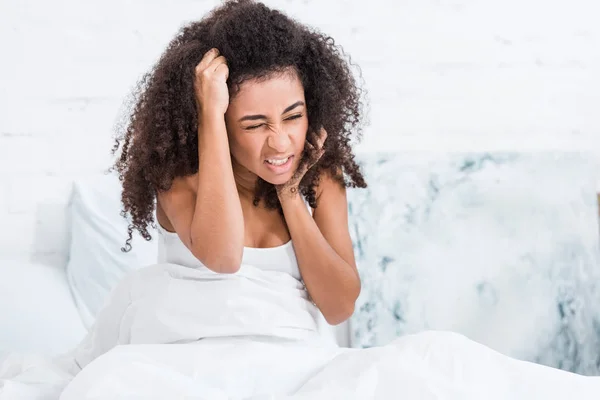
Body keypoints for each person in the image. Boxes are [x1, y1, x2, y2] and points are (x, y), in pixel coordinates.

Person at [2, 1, 600, 398]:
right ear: (218, 124)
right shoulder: (181, 180)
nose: (281, 139)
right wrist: (209, 111)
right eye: (254, 123)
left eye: (293, 115)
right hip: (186, 360)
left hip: (297, 366)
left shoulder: (319, 178)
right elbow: (222, 257)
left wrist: (292, 195)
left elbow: (339, 305)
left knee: (439, 361)